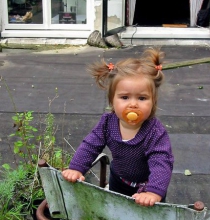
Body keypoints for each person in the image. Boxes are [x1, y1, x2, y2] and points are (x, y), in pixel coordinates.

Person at [62, 47, 174, 207]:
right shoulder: (108, 123)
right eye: (125, 97)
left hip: (147, 188)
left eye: (142, 98)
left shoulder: (155, 132)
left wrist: (154, 192)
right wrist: (76, 168)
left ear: (153, 101)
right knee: (116, 209)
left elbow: (161, 162)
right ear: (112, 101)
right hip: (118, 181)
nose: (133, 104)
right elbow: (90, 145)